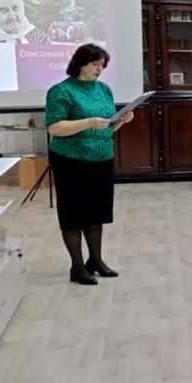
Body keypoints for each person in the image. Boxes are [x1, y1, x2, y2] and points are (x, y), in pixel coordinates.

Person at [45, 44, 133, 285]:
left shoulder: (104, 89)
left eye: (102, 65)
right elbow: (54, 127)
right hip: (71, 160)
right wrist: (88, 122)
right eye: (95, 64)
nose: (99, 69)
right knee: (73, 214)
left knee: (96, 212)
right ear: (80, 63)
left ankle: (95, 260)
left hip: (102, 158)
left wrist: (121, 121)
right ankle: (77, 267)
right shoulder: (61, 91)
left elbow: (107, 126)